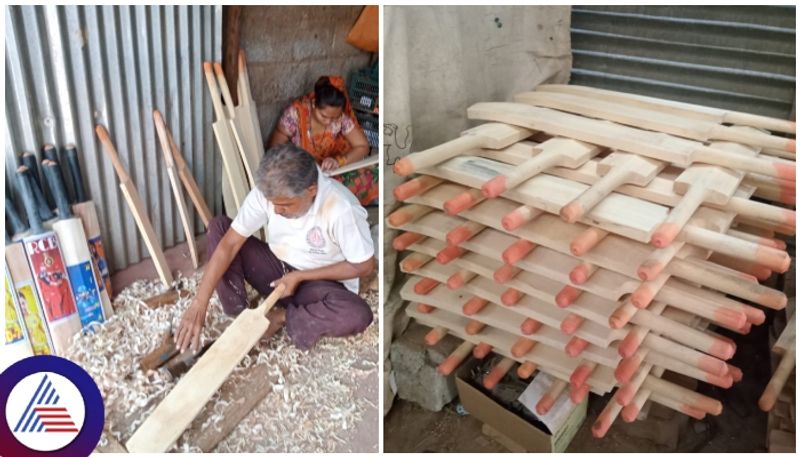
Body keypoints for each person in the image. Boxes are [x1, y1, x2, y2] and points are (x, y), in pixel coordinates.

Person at [174, 143, 375, 353]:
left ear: (311, 191)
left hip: (319, 284)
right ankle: (240, 316)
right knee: (219, 227)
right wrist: (199, 303)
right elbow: (230, 243)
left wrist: (301, 277)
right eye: (273, 204)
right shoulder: (269, 190)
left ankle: (280, 317)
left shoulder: (340, 208)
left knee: (357, 314)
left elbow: (364, 266)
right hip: (276, 271)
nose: (277, 211)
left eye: (286, 205)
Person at [269, 76, 378, 205]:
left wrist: (338, 161)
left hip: (330, 171)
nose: (329, 122)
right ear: (314, 103)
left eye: (334, 117)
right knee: (303, 193)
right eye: (324, 116)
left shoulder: (341, 119)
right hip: (302, 171)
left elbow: (362, 146)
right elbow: (275, 148)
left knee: (372, 176)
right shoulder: (296, 114)